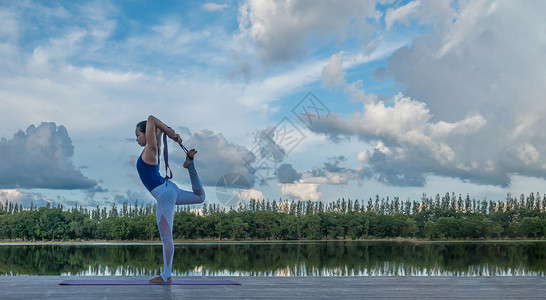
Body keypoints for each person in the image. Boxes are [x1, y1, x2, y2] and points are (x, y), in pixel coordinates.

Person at [135, 115, 205, 283]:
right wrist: (168, 132)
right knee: (200, 197)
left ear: (147, 134)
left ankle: (166, 276)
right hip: (170, 189)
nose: (136, 139)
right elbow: (157, 127)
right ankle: (190, 164)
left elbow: (151, 119)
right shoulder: (155, 145)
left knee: (166, 237)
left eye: (138, 135)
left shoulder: (150, 149)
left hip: (165, 194)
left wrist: (171, 134)